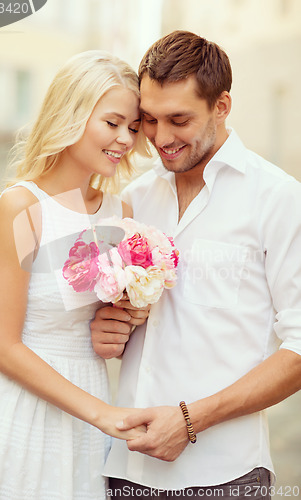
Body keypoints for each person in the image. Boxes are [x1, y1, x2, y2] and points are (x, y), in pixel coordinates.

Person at [91, 31, 301, 499]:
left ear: (222, 106)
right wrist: (110, 327)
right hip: (124, 468)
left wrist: (189, 421)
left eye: (179, 119)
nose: (160, 138)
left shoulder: (277, 198)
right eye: (148, 119)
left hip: (225, 476)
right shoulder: (133, 200)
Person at [0, 50, 151, 500]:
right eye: (112, 123)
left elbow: (109, 320)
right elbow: (1, 347)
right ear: (72, 114)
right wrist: (101, 414)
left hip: (87, 412)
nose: (125, 139)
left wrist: (127, 320)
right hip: (20, 410)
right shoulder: (23, 206)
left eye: (132, 127)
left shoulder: (120, 212)